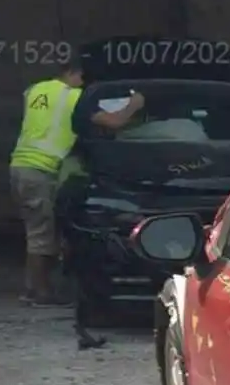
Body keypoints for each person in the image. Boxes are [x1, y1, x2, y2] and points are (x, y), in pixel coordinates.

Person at [9, 52, 143, 306]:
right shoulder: (75, 97)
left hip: (20, 166)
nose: (83, 83)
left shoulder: (35, 89)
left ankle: (33, 289)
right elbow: (115, 122)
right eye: (82, 78)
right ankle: (39, 294)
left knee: (37, 230)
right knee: (42, 235)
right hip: (41, 169)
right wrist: (134, 104)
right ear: (72, 73)